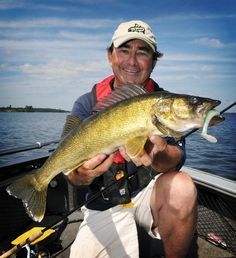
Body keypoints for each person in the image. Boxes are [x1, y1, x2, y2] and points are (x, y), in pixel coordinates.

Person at [63, 20, 197, 258]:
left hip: (149, 195)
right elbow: (71, 172)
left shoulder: (164, 103)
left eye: (142, 52)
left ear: (153, 61)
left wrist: (159, 154)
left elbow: (175, 157)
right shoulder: (85, 103)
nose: (132, 61)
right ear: (110, 56)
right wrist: (82, 174)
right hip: (103, 204)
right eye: (124, 50)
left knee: (182, 186)